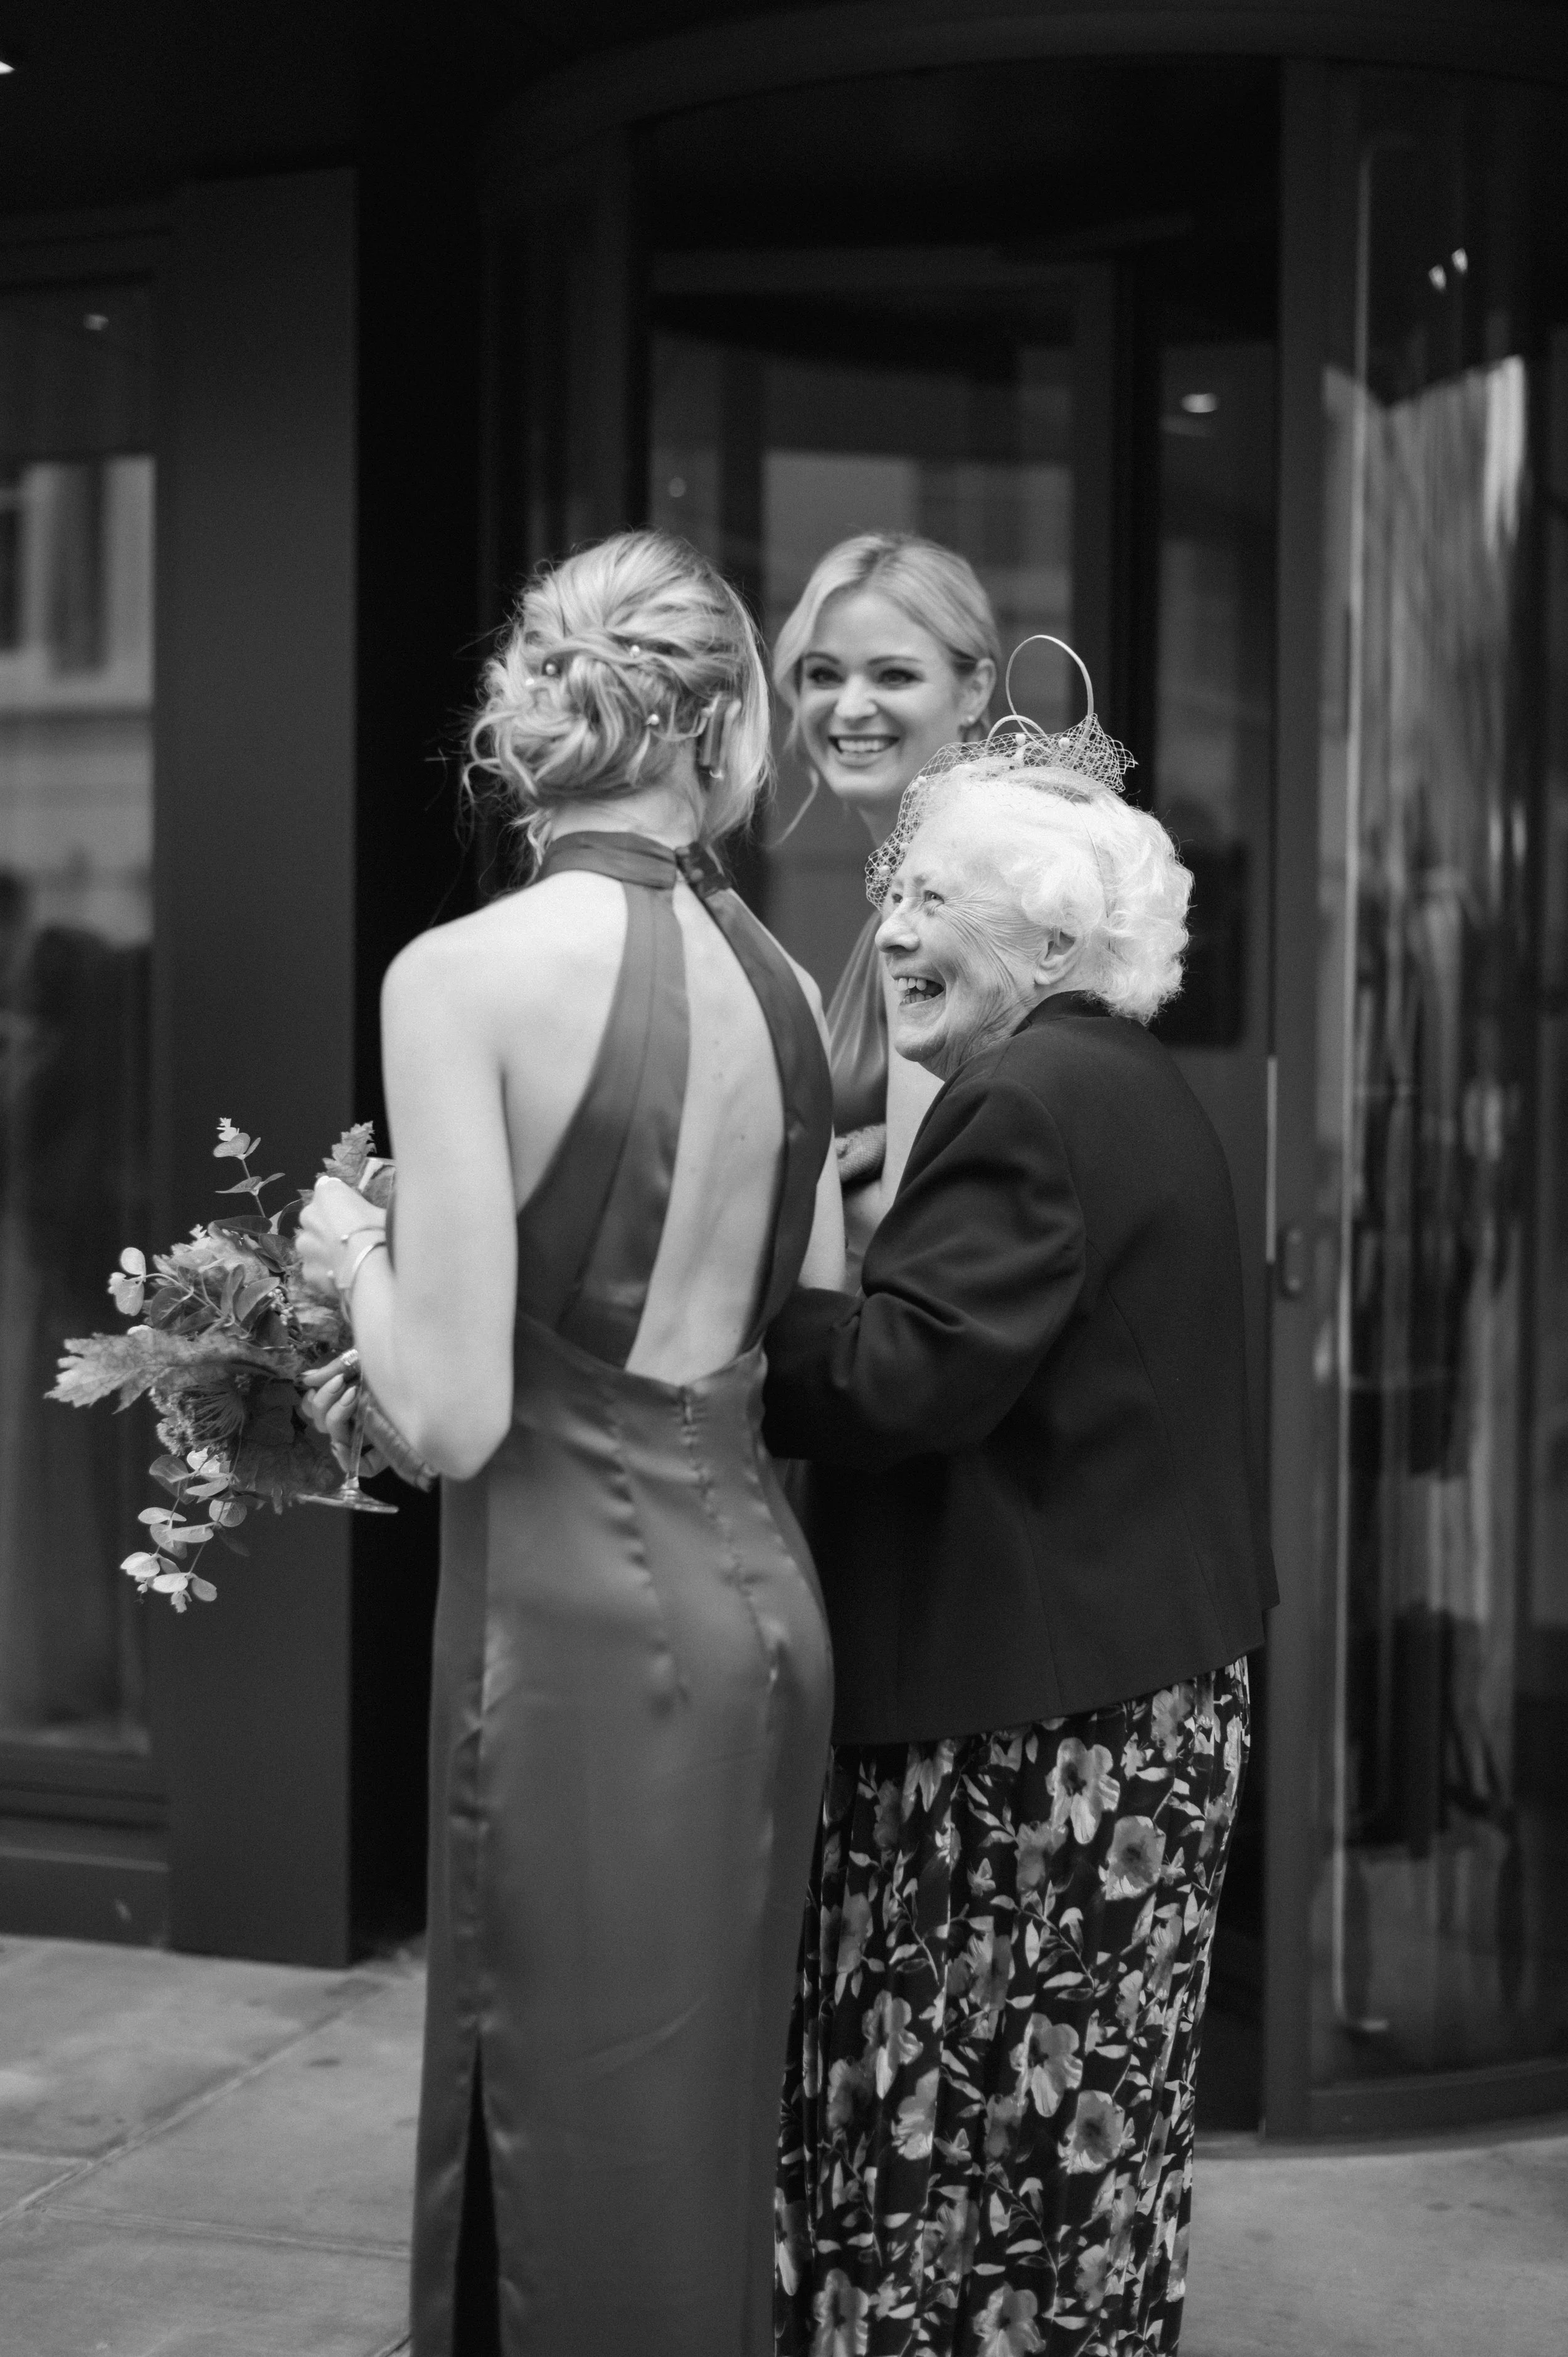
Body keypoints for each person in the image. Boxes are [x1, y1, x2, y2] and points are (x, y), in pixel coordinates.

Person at [297, 529, 842, 2356]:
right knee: (687, 2145)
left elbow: (450, 1409)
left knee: (556, 2137)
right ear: (719, 724)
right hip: (759, 1603)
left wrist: (347, 1254)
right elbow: (801, 1295)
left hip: (567, 1630)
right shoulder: (780, 984)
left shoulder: (459, 975)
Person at [765, 723, 1277, 2355]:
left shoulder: (1024, 1102)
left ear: (1054, 942)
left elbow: (899, 1381)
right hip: (1125, 1693)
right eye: (894, 891)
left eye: (937, 901)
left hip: (1030, 1739)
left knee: (965, 2134)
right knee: (1084, 2156)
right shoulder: (1122, 1079)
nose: (893, 931)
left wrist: (726, 1299)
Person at [772, 534, 999, 1279]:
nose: (851, 706)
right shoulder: (906, 882)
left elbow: (918, 1215)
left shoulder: (960, 889)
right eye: (823, 674)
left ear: (974, 691)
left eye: (894, 674)